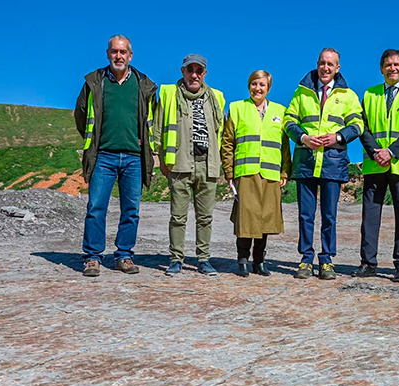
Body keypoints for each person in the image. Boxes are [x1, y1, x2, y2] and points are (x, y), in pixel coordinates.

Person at [73, 34, 158, 278]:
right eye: (114, 51)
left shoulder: (144, 85)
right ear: (108, 54)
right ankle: (92, 257)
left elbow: (153, 119)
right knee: (96, 207)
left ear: (130, 56)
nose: (118, 56)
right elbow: (81, 115)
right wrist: (94, 142)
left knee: (131, 209)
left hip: (134, 157)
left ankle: (124, 255)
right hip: (103, 156)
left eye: (123, 52)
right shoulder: (94, 82)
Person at [284, 48, 364, 280]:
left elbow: (358, 124)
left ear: (338, 68)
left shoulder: (348, 95)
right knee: (305, 215)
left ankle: (327, 260)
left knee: (329, 215)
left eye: (330, 64)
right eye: (322, 63)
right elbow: (289, 121)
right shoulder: (302, 93)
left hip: (333, 163)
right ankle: (306, 259)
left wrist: (338, 137)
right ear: (317, 65)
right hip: (306, 162)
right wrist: (303, 138)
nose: (325, 68)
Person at [354, 49, 399, 284]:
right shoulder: (370, 94)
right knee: (370, 216)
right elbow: (362, 126)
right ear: (381, 68)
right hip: (375, 164)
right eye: (387, 64)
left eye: (396, 64)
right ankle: (368, 263)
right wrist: (375, 152)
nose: (392, 68)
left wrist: (391, 152)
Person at [151, 54, 226, 276]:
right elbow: (157, 130)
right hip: (180, 164)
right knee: (178, 216)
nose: (194, 75)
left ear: (204, 74)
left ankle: (203, 259)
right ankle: (176, 259)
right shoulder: (169, 94)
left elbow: (220, 132)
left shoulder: (217, 97)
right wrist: (162, 161)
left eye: (199, 71)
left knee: (205, 217)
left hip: (207, 164)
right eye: (190, 70)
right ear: (182, 71)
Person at [220, 70, 291, 277]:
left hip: (270, 175)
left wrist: (285, 171)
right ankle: (242, 260)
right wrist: (229, 171)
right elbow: (227, 142)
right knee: (246, 219)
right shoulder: (237, 108)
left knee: (265, 219)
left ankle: (259, 261)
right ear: (248, 85)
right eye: (253, 84)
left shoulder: (280, 111)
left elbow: (284, 146)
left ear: (268, 88)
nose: (257, 88)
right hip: (246, 173)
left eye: (261, 85)